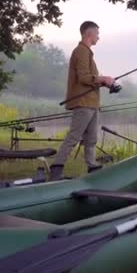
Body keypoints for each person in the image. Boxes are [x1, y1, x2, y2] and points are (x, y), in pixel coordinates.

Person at [49, 21, 115, 180]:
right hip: (83, 103)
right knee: (74, 136)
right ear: (88, 34)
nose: (99, 37)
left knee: (91, 138)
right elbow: (84, 77)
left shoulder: (88, 53)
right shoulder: (81, 51)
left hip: (92, 103)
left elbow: (91, 80)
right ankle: (56, 169)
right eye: (97, 33)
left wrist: (105, 83)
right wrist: (103, 78)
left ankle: (92, 166)